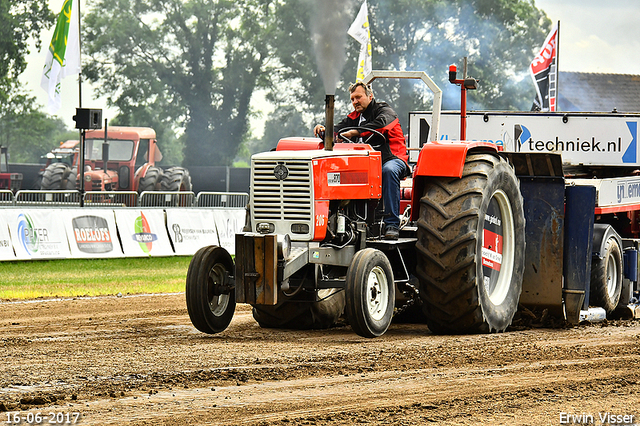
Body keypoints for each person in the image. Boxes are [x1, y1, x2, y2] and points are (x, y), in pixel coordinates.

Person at [314, 82, 409, 240]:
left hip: (392, 158)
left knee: (388, 171)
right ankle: (339, 221)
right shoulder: (354, 117)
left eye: (358, 97)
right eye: (352, 99)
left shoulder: (385, 111)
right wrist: (324, 129)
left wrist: (354, 132)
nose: (355, 101)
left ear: (370, 96)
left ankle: (392, 223)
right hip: (366, 162)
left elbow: (381, 125)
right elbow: (338, 129)